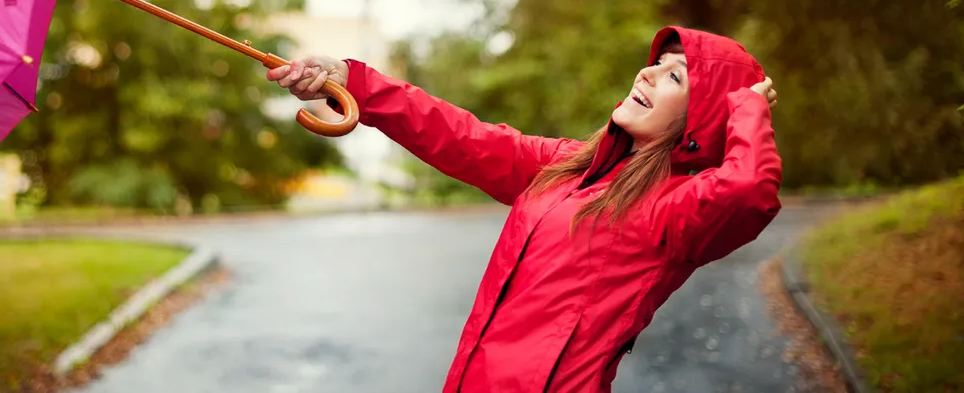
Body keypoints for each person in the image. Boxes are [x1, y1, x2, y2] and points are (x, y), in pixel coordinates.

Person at [265, 25, 781, 393]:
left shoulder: (677, 209)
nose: (647, 74)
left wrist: (747, 107)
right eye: (655, 64)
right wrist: (353, 81)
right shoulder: (566, 166)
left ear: (705, 116)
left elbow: (749, 190)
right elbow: (460, 135)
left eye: (675, 76)